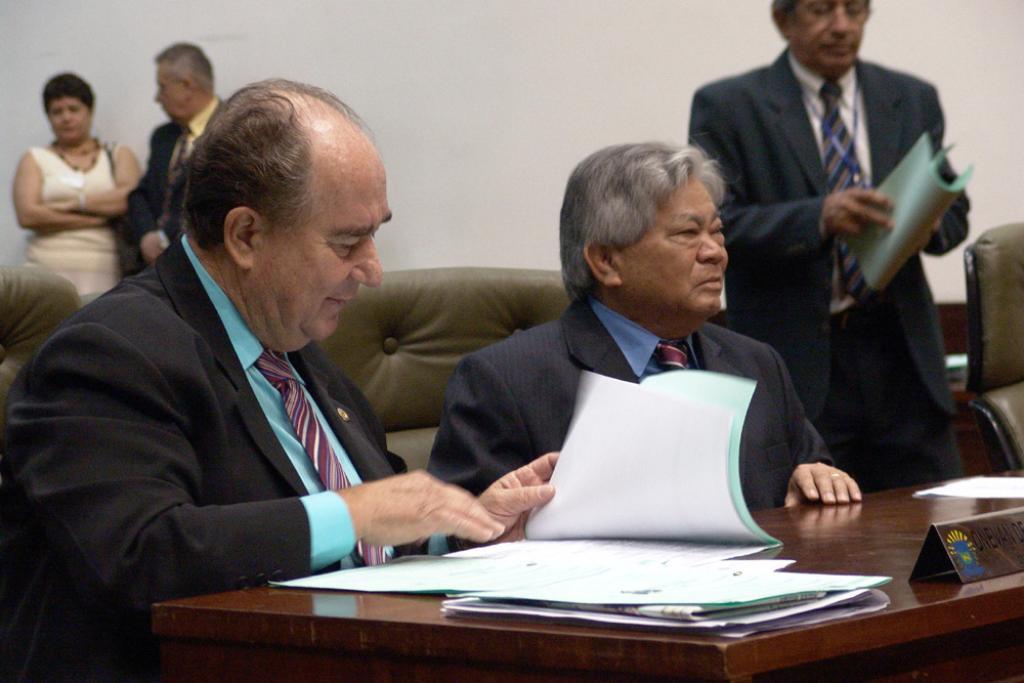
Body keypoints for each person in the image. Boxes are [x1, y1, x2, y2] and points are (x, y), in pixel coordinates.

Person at [0, 79, 555, 682]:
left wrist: (465, 531)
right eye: (348, 242)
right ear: (246, 235)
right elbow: (141, 555)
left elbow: (374, 528)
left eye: (375, 234)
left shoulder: (297, 346)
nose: (373, 270)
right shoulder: (108, 352)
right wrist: (350, 511)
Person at [428, 142, 860, 512]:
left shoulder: (757, 364)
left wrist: (816, 480)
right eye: (688, 234)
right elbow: (457, 534)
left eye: (717, 232)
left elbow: (811, 471)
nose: (715, 253)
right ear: (606, 261)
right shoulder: (504, 381)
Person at [688, 0, 968, 491]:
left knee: (944, 519)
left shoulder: (910, 97)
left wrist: (926, 226)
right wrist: (819, 217)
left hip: (902, 356)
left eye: (854, 10)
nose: (841, 26)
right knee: (821, 523)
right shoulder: (729, 106)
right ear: (783, 19)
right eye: (821, 10)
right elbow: (716, 226)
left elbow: (955, 212)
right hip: (799, 362)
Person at [12, 72, 142, 295]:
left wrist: (74, 203)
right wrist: (97, 218)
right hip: (44, 274)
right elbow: (28, 215)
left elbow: (127, 199)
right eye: (57, 112)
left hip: (107, 275)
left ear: (89, 111)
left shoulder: (118, 154)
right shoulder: (34, 158)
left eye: (73, 109)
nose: (66, 118)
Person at [128, 42, 219, 265]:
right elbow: (141, 195)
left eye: (162, 87)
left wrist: (169, 239)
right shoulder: (163, 136)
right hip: (154, 267)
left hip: (207, 263)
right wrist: (147, 235)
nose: (157, 98)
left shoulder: (234, 129)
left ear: (186, 85)